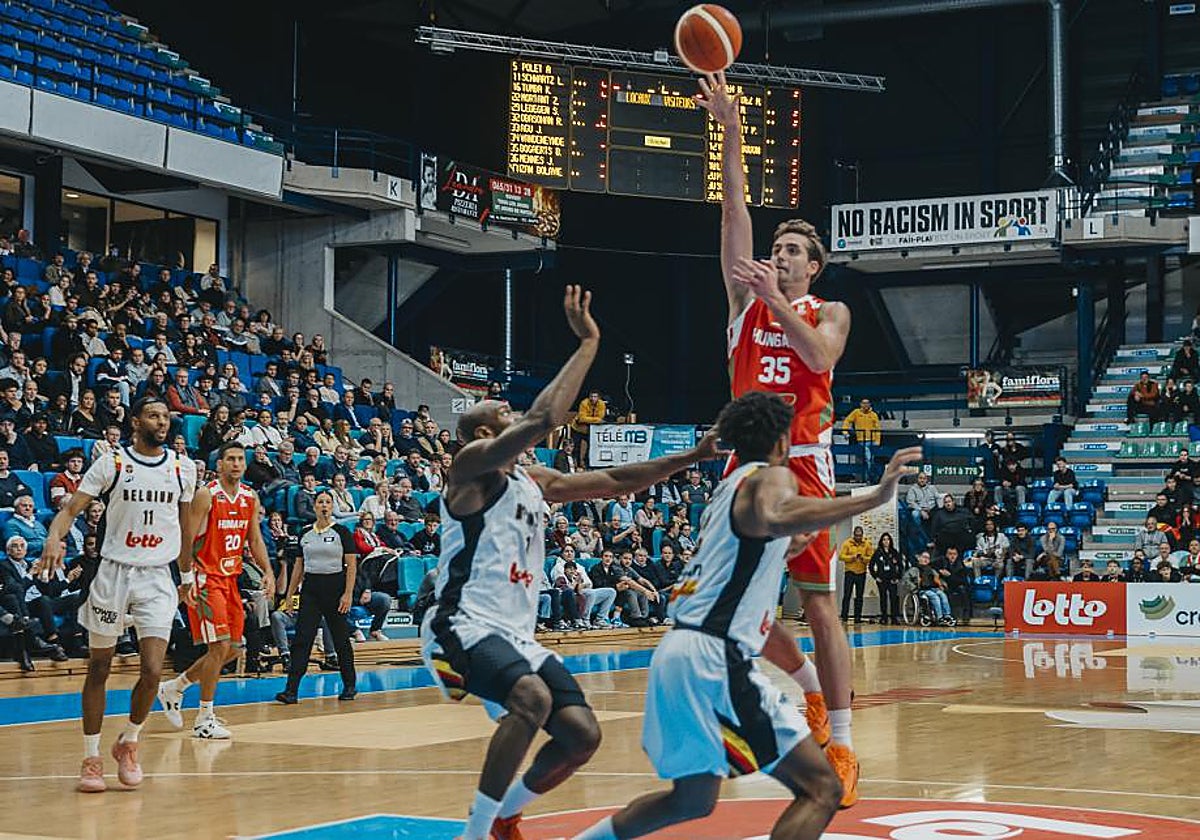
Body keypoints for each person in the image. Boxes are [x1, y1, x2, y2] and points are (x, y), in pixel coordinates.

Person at [421, 286, 723, 840]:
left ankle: (506, 814)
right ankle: (476, 833)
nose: (506, 406)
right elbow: (543, 418)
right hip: (459, 622)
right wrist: (589, 342)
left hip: (513, 633)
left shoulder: (534, 481)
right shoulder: (468, 467)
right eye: (499, 410)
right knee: (531, 701)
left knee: (582, 735)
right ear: (486, 432)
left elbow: (616, 479)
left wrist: (694, 456)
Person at [570, 392, 921, 840]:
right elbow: (776, 514)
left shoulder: (726, 490)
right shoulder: (773, 477)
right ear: (782, 440)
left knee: (691, 799)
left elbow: (757, 546)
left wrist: (783, 544)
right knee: (820, 789)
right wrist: (873, 497)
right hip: (714, 657)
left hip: (677, 653)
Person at [696, 71, 859, 804]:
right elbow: (733, 205)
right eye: (779, 245)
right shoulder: (743, 298)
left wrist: (777, 301)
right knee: (733, 608)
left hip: (806, 468)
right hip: (745, 469)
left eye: (794, 249)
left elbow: (821, 359)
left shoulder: (830, 310)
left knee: (818, 604)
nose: (782, 253)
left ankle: (846, 745)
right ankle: (807, 691)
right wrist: (729, 130)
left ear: (813, 267)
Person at [35, 396, 197, 793]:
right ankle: (91, 757)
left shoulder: (182, 468)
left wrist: (188, 575)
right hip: (114, 572)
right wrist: (54, 538)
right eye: (154, 416)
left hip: (158, 576)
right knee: (100, 668)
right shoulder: (114, 462)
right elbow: (72, 508)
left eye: (166, 416)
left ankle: (129, 741)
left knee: (154, 669)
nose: (162, 422)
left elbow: (187, 528)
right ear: (136, 421)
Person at [155, 442, 274, 740]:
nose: (235, 464)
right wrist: (185, 579)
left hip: (231, 580)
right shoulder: (206, 495)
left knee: (234, 649)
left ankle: (175, 687)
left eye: (240, 459)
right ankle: (204, 718)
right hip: (205, 578)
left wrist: (268, 571)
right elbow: (186, 539)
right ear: (219, 464)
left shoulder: (249, 497)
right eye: (230, 459)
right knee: (218, 647)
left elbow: (255, 540)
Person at [274, 490, 358, 704]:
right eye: (320, 502)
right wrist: (290, 594)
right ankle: (291, 690)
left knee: (340, 639)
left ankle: (349, 684)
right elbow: (299, 567)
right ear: (314, 507)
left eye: (328, 502)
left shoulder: (342, 532)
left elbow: (351, 566)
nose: (324, 505)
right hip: (311, 588)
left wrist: (348, 594)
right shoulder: (305, 533)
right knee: (303, 638)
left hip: (335, 587)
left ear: (332, 507)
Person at [837, 526, 872, 624]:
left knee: (859, 596)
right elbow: (841, 556)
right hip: (850, 572)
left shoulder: (867, 544)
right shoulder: (847, 543)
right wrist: (852, 557)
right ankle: (844, 616)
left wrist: (863, 558)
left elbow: (871, 557)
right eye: (856, 535)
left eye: (860, 535)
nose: (858, 537)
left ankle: (858, 617)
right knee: (847, 595)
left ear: (862, 535)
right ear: (854, 535)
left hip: (861, 572)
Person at [840, 398, 880, 481]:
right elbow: (847, 421)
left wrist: (877, 441)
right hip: (862, 441)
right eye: (863, 403)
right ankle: (871, 478)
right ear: (860, 404)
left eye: (867, 403)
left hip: (872, 441)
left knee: (870, 460)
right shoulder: (856, 412)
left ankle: (869, 478)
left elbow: (877, 429)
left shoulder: (873, 415)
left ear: (870, 404)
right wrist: (845, 432)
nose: (865, 405)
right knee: (868, 459)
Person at [868, 533, 901, 624]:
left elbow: (900, 565)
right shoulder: (878, 552)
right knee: (883, 598)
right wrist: (875, 576)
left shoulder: (894, 552)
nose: (886, 541)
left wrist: (898, 577)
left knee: (893, 598)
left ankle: (894, 617)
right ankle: (884, 617)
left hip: (892, 579)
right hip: (882, 579)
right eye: (884, 539)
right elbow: (871, 566)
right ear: (881, 541)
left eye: (888, 539)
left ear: (890, 541)